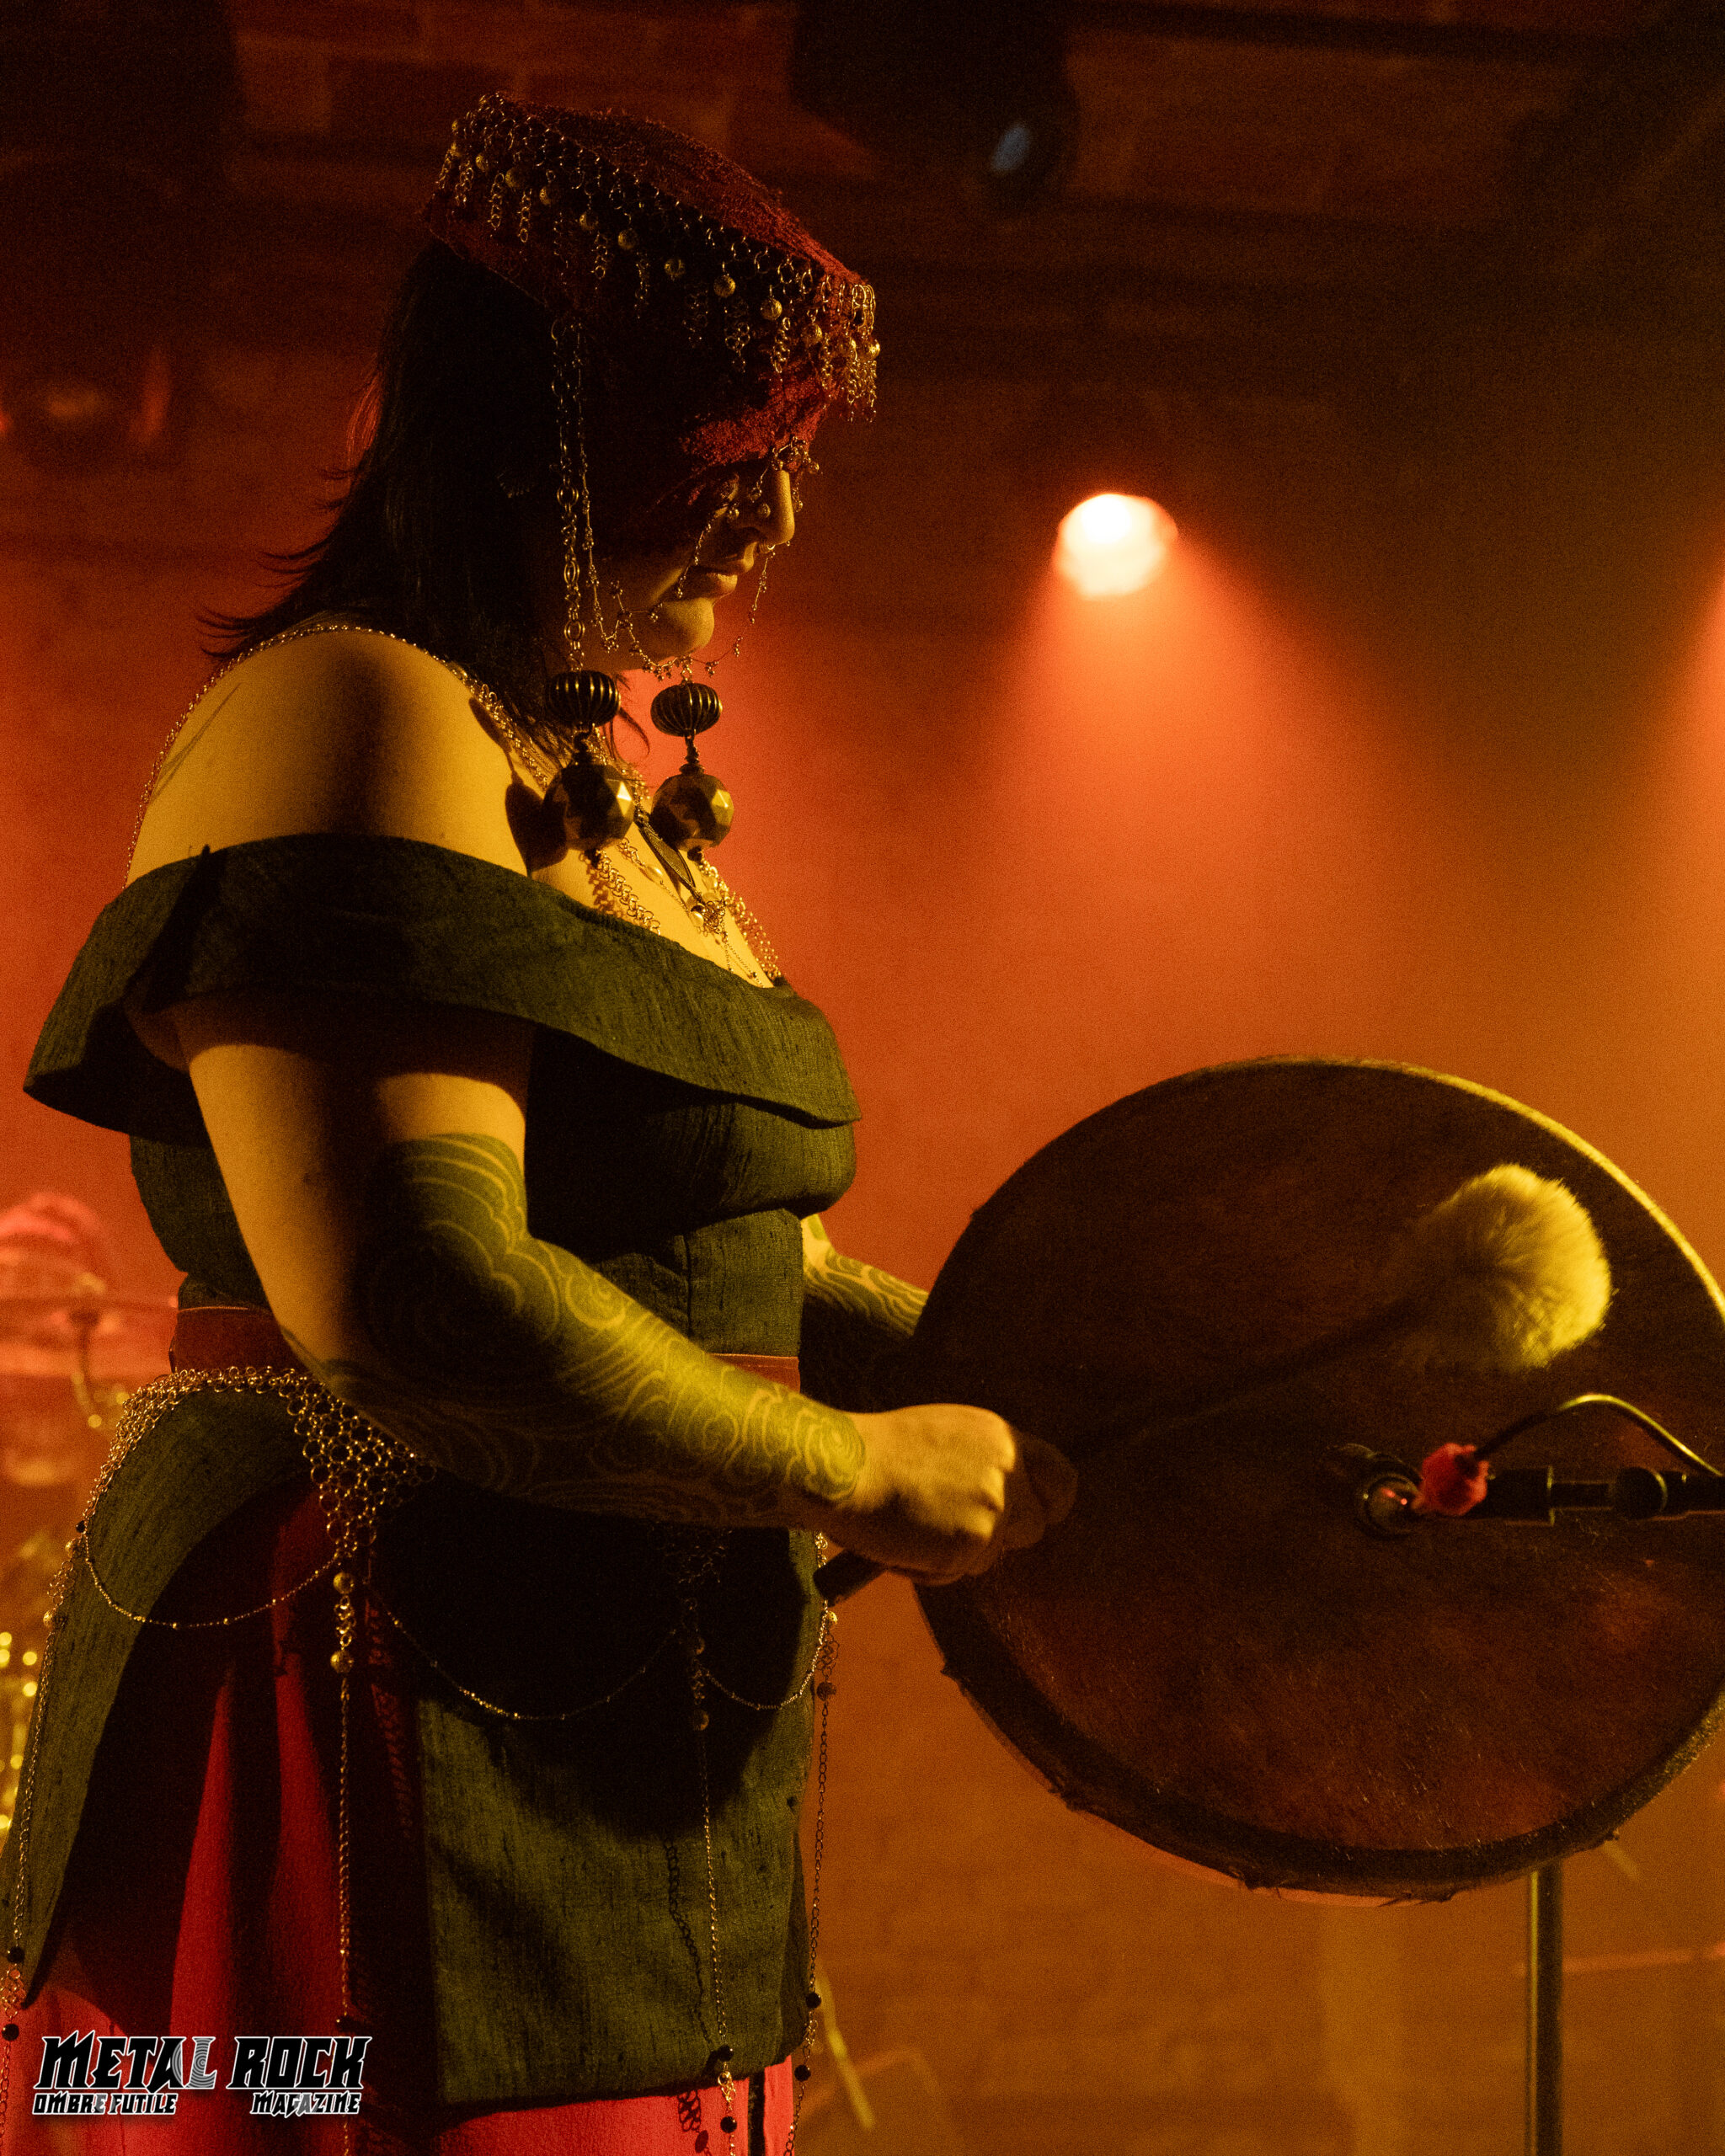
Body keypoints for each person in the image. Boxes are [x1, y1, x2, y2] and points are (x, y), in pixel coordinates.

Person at [3, 98, 1076, 2155]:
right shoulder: (345, 708)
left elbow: (703, 1252)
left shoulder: (585, 788)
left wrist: (1023, 1368)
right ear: (549, 433)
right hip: (363, 1695)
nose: (777, 519)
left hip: (608, 1705)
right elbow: (417, 1295)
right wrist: (858, 1466)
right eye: (737, 453)